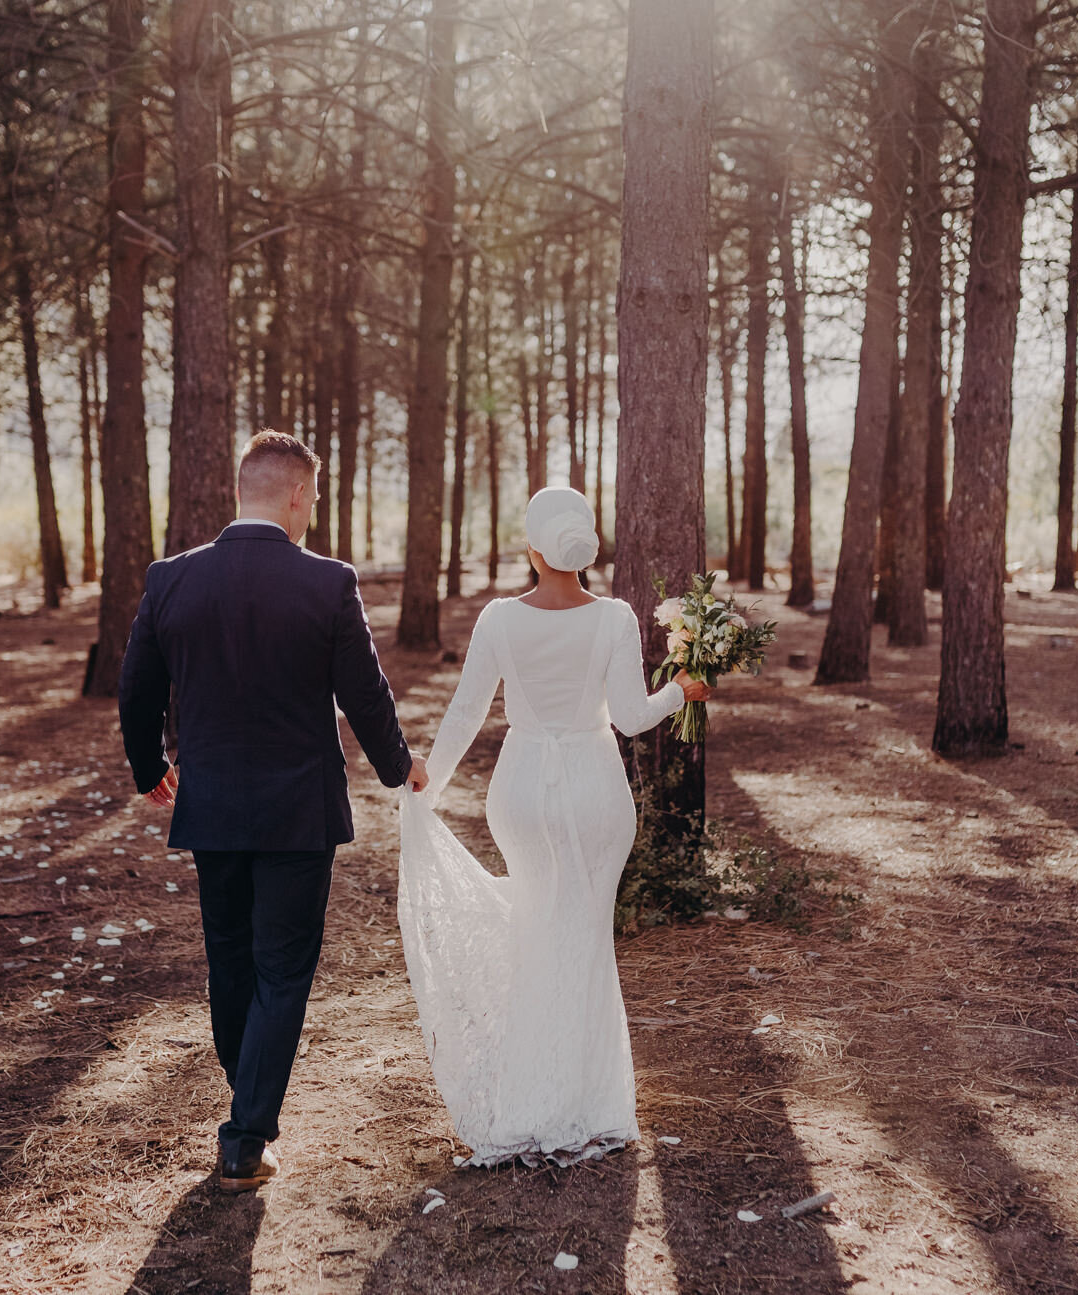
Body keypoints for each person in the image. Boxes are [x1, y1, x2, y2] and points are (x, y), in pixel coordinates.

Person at [119, 430, 426, 1192]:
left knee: (230, 959)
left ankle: (247, 1093)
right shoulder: (327, 582)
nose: (312, 509)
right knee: (282, 970)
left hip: (213, 804)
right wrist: (400, 765)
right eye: (313, 497)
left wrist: (149, 765)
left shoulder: (172, 579)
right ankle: (246, 1134)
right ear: (295, 494)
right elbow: (365, 692)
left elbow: (135, 686)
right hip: (297, 811)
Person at [398, 485, 709, 1166]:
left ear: (534, 546)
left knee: (538, 932)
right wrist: (679, 691)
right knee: (586, 940)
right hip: (596, 789)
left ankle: (531, 1096)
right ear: (584, 542)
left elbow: (464, 712)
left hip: (523, 792)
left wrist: (432, 778)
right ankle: (589, 1103)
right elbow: (630, 717)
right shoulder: (615, 616)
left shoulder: (500, 618)